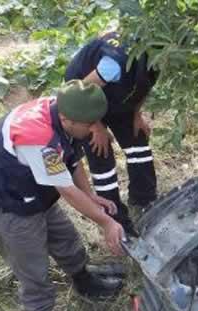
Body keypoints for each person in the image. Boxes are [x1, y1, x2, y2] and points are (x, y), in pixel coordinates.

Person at [0, 80, 126, 311]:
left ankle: (84, 280)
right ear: (66, 120)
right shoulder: (38, 137)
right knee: (31, 261)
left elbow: (72, 161)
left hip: (35, 190)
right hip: (8, 202)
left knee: (65, 237)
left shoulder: (67, 112)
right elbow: (65, 189)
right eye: (89, 125)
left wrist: (90, 196)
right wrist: (107, 223)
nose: (93, 130)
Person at [65, 32, 159, 235]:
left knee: (138, 143)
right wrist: (96, 126)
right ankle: (114, 216)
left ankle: (144, 200)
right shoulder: (114, 63)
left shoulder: (159, 55)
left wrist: (136, 114)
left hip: (117, 97)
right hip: (85, 100)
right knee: (101, 154)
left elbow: (145, 86)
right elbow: (82, 91)